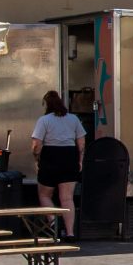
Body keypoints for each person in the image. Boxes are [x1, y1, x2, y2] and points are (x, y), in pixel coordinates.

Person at [31, 90, 86, 220]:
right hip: (69, 157)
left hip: (50, 157)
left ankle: (53, 226)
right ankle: (70, 233)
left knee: (44, 196)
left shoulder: (44, 120)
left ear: (47, 105)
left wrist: (36, 158)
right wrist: (80, 160)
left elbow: (36, 145)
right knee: (67, 199)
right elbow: (81, 142)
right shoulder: (74, 119)